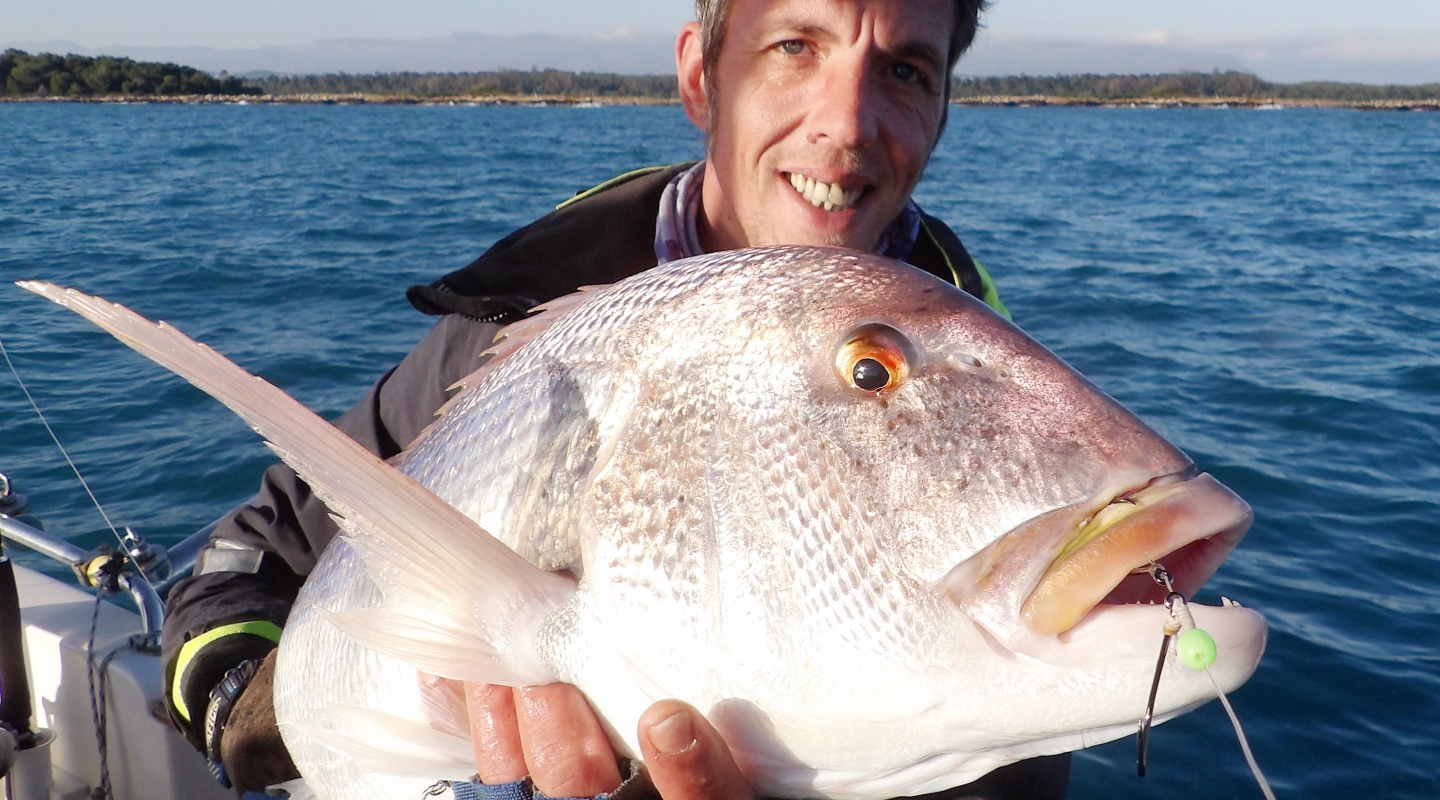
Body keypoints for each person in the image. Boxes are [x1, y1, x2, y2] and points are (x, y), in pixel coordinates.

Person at [161, 0, 1070, 798]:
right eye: (795, 45)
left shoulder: (996, 396)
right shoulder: (514, 332)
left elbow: (1014, 736)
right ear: (699, 78)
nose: (846, 122)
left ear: (943, 109)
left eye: (906, 69)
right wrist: (246, 713)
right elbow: (257, 553)